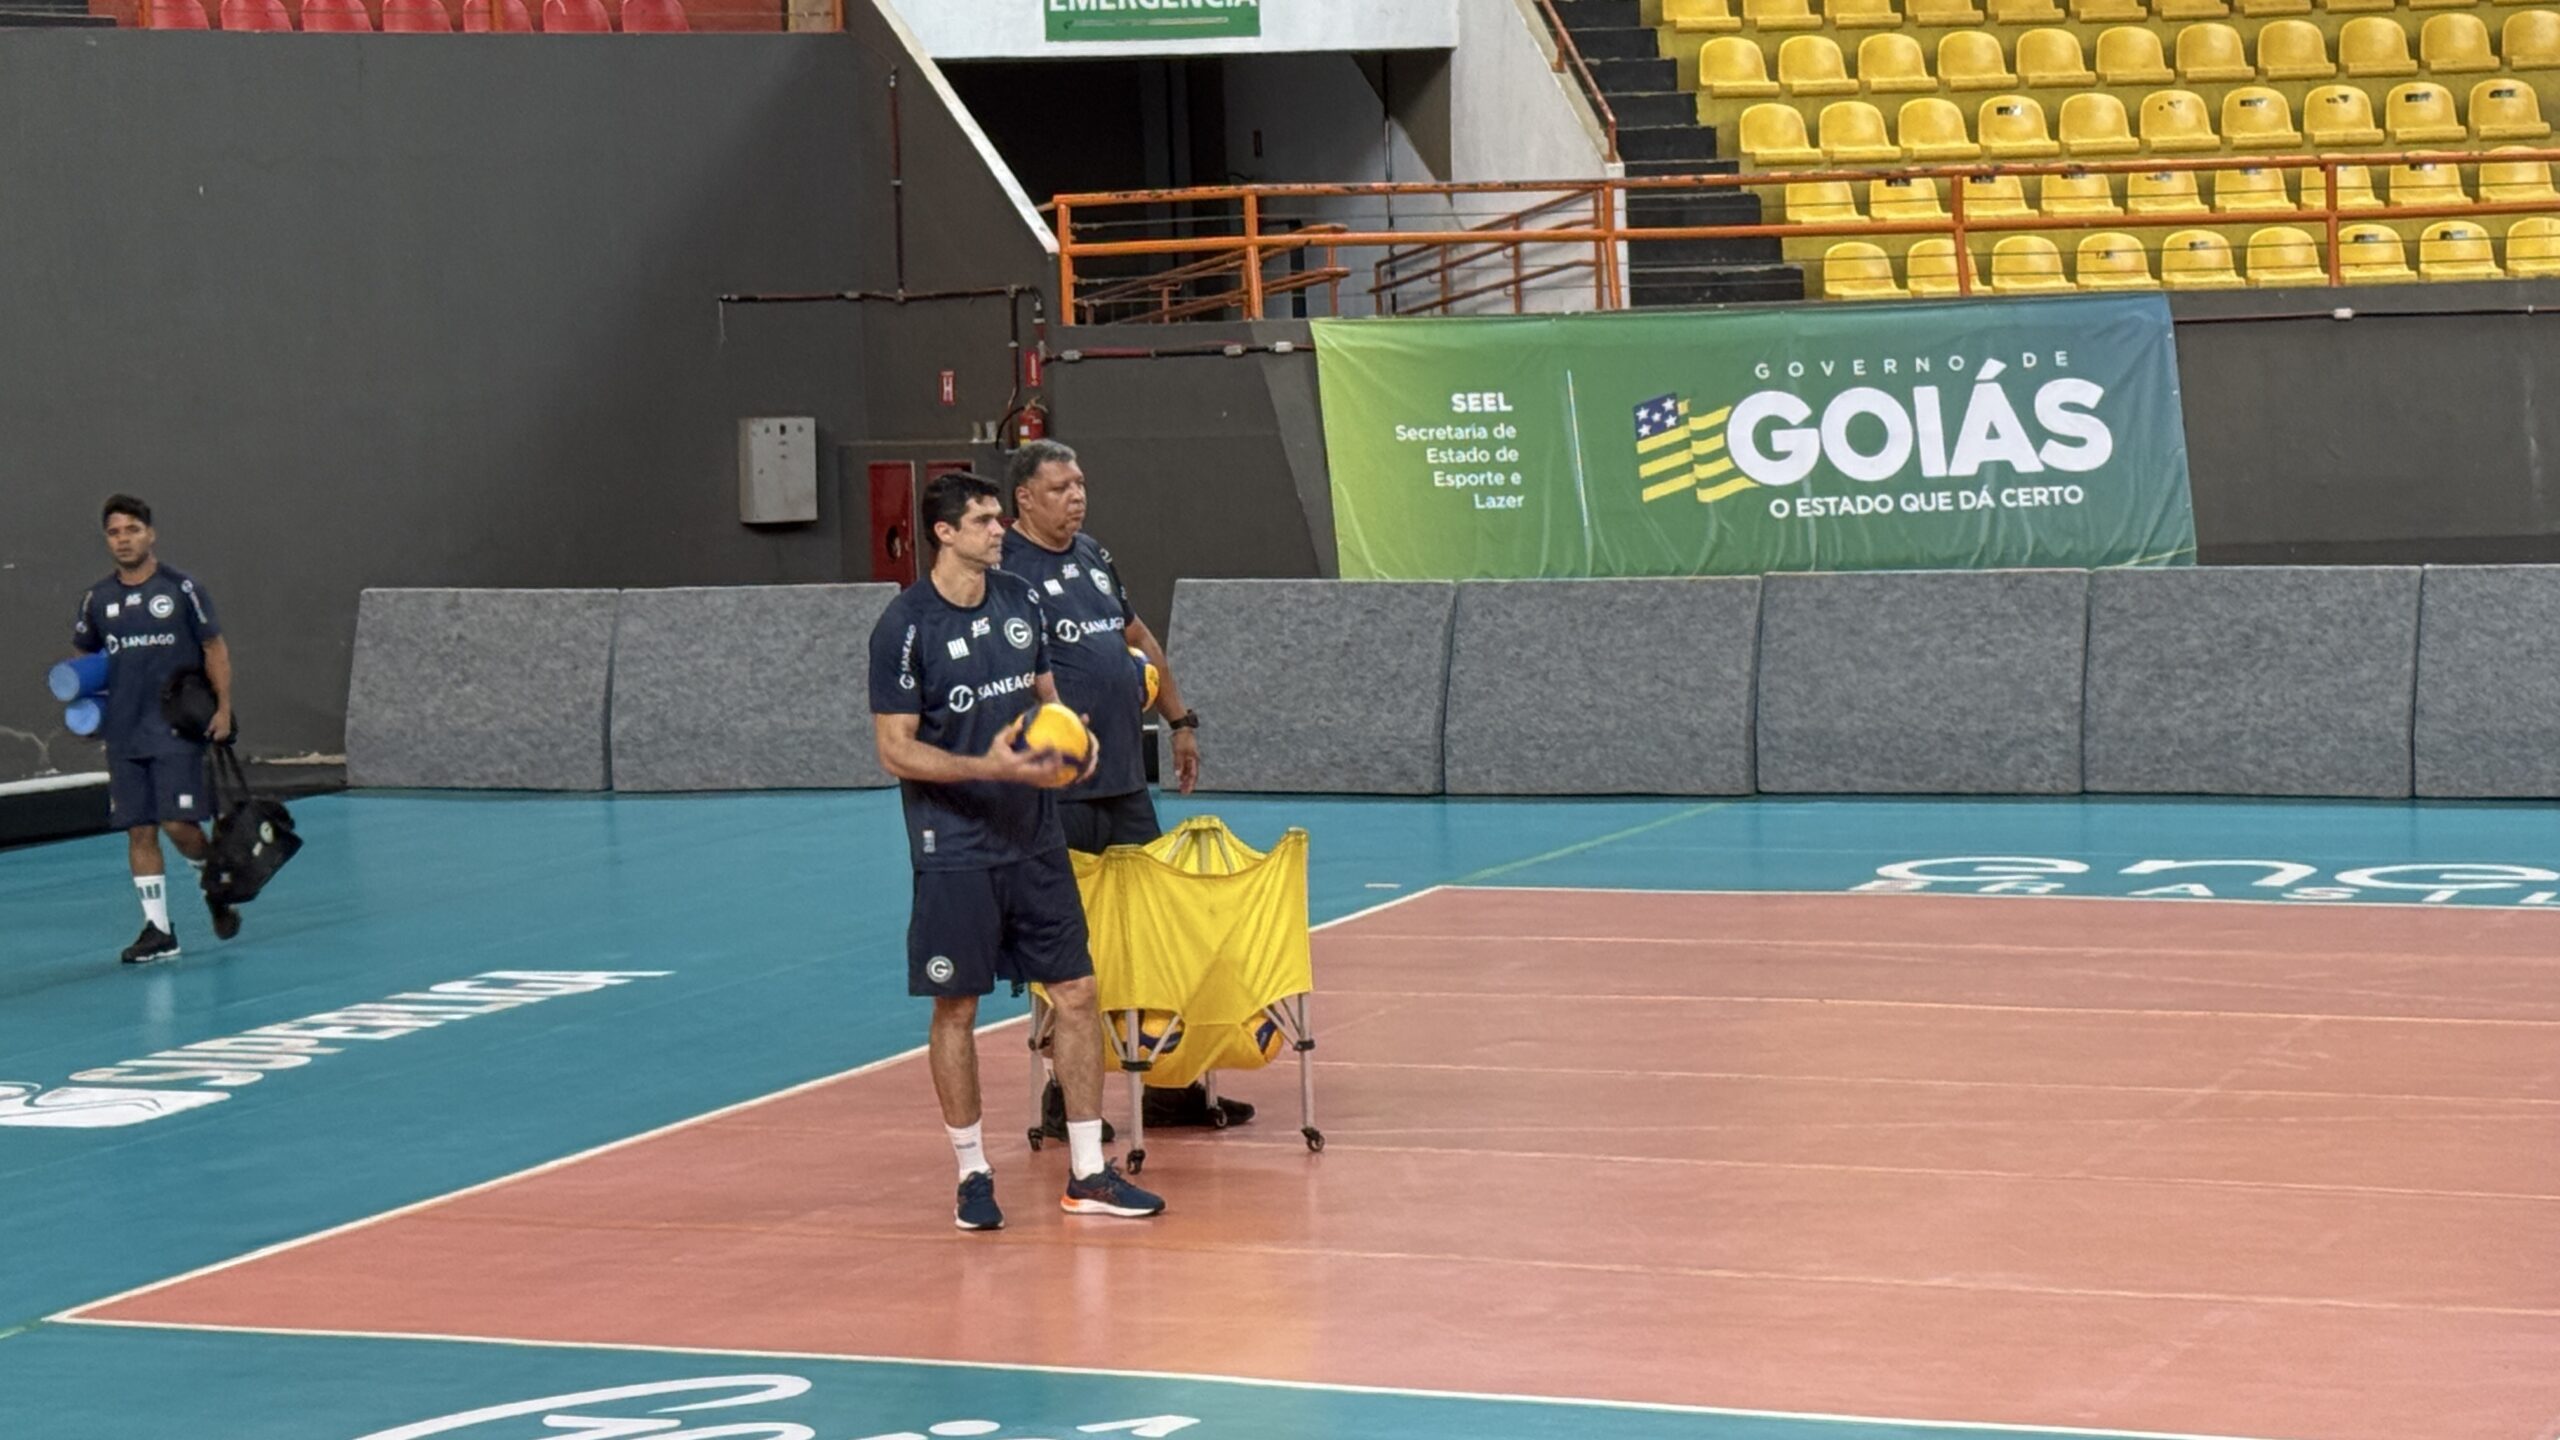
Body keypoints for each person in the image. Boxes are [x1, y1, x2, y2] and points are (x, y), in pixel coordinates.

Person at [868, 470, 1166, 1231]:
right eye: (983, 520)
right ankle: (972, 1174)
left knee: (1077, 993)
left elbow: (1045, 699)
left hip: (1036, 839)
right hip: (955, 849)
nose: (999, 530)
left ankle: (1089, 1172)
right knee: (957, 1007)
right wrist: (990, 768)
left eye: (1000, 518)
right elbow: (895, 750)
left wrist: (1073, 739)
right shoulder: (905, 626)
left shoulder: (1019, 600)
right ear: (944, 533)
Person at [1000, 439, 1248, 1130]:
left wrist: (1180, 721)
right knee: (1065, 949)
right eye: (1060, 487)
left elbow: (1139, 639)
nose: (1077, 496)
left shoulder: (1094, 556)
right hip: (1056, 795)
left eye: (1080, 483)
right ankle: (1062, 1096)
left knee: (1154, 934)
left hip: (1124, 789)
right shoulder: (1007, 572)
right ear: (1025, 498)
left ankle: (1167, 1083)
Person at [69, 495, 239, 964]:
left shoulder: (182, 589)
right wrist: (91, 712)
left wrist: (223, 709)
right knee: (138, 830)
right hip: (124, 734)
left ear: (150, 534)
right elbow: (86, 658)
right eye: (114, 532)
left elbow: (214, 648)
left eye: (132, 530)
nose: (123, 539)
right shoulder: (97, 599)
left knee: (178, 825)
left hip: (175, 729)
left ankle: (214, 884)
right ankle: (159, 931)